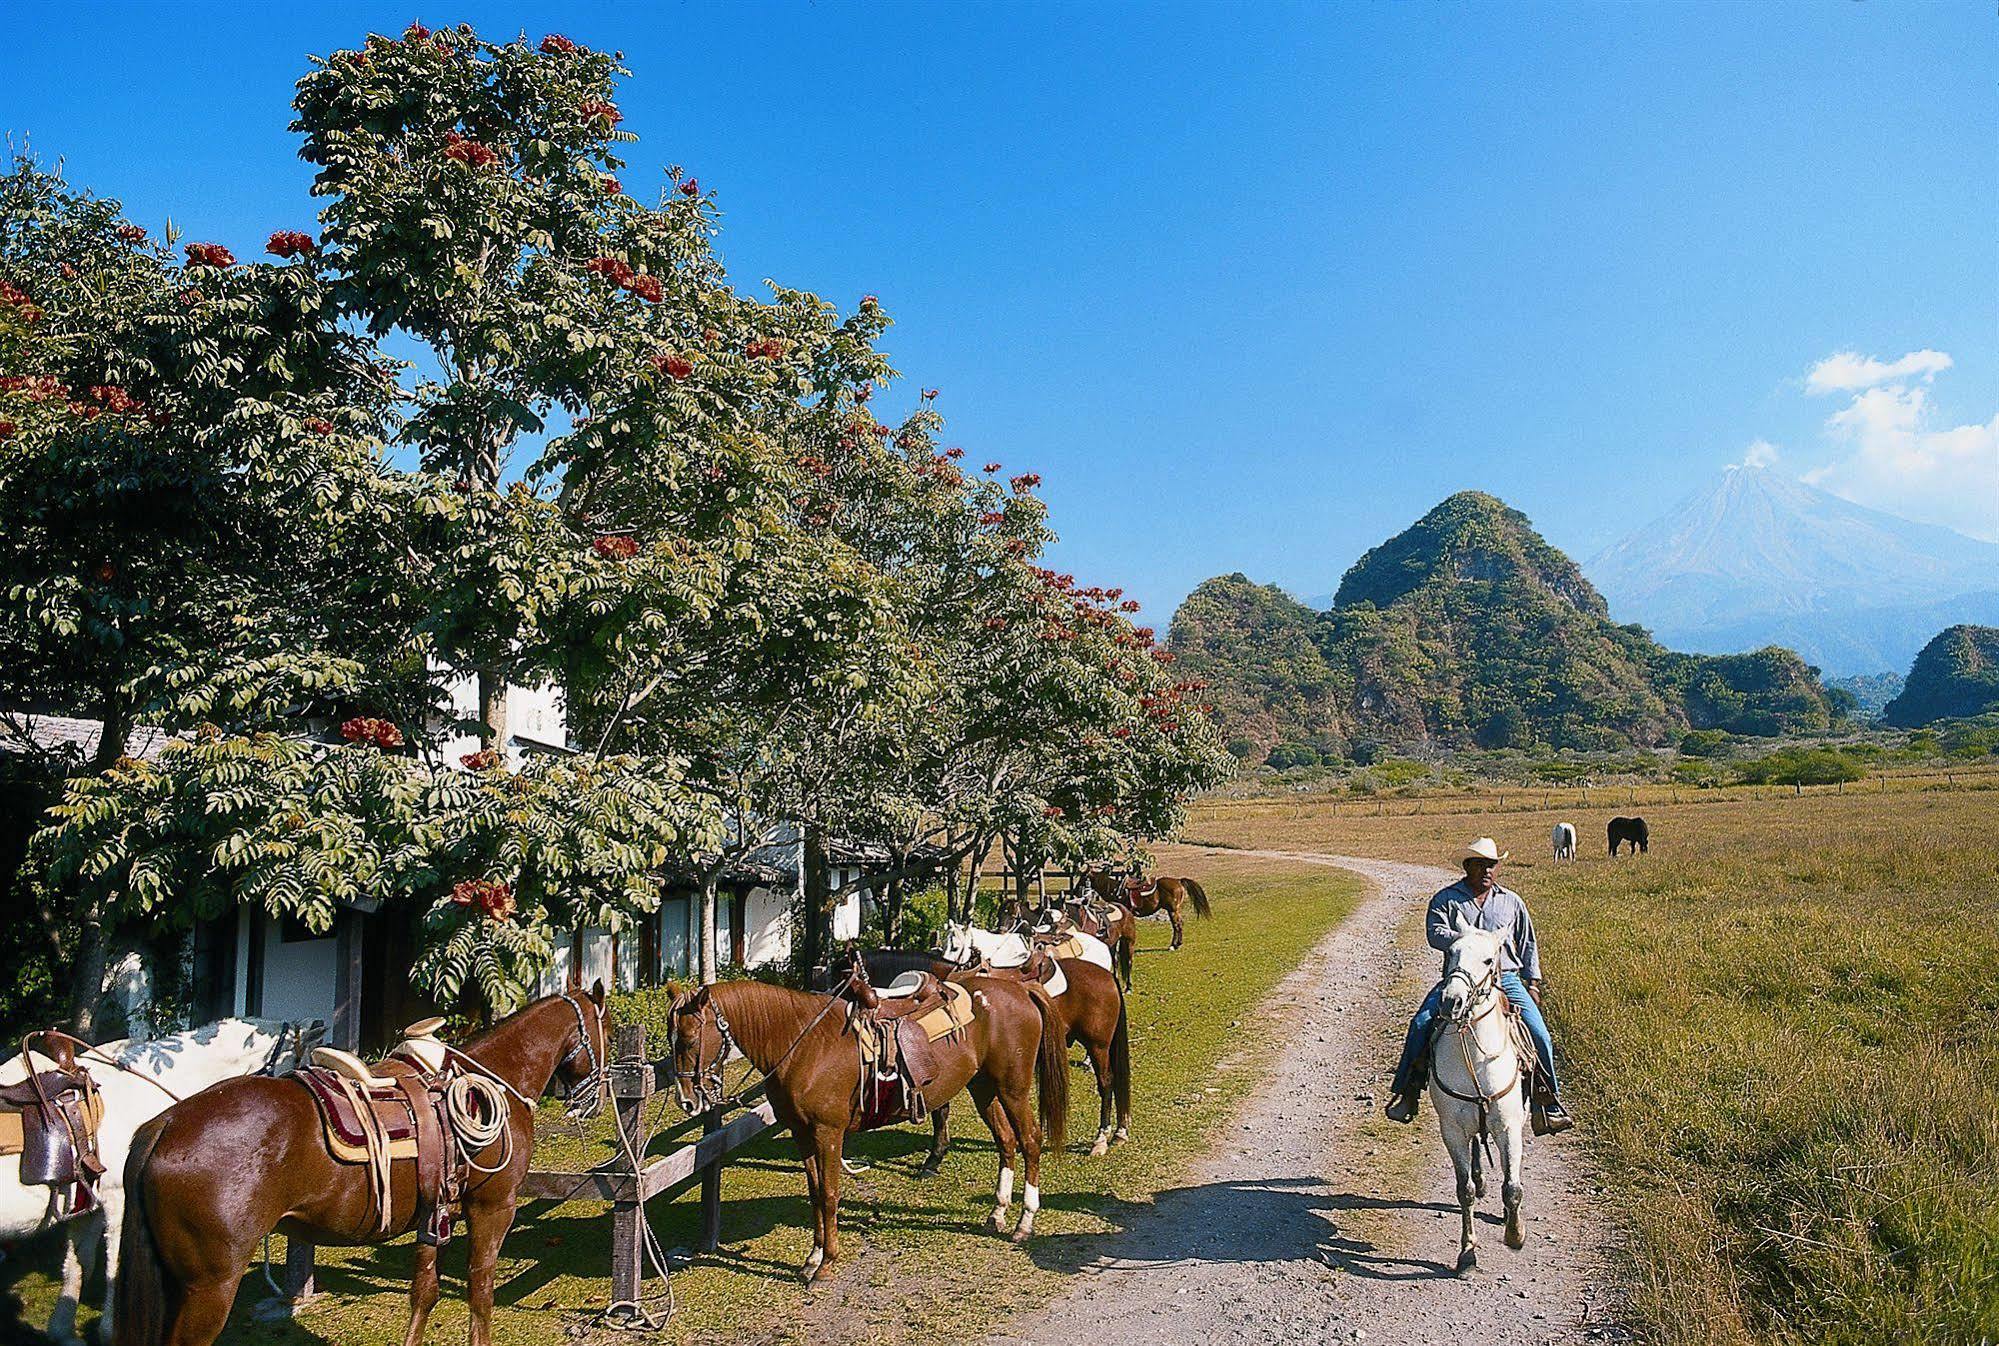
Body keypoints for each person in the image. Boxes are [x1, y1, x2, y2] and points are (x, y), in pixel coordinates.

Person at [1384, 837, 1573, 1133]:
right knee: (1421, 1023)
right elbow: (1435, 934)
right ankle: (1407, 1091)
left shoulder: (1511, 901)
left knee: (1539, 1034)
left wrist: (1533, 982)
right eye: (1480, 864)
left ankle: (1547, 1102)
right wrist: (1471, 943)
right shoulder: (1445, 900)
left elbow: (1528, 943)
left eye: (1492, 865)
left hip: (1505, 978)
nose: (1487, 870)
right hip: (1460, 977)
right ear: (1467, 866)